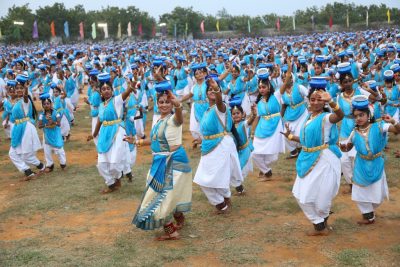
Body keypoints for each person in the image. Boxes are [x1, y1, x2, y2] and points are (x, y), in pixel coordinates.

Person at [129, 80, 192, 241]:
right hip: (160, 161)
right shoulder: (159, 121)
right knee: (167, 194)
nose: (164, 105)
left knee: (159, 197)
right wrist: (136, 141)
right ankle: (179, 219)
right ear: (157, 104)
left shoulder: (173, 119)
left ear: (171, 104)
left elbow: (179, 116)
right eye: (161, 102)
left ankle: (172, 231)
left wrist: (177, 104)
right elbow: (153, 140)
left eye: (167, 102)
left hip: (173, 162)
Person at [282, 77, 344, 236]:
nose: (315, 102)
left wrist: (331, 102)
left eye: (319, 100)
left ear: (323, 102)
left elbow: (339, 116)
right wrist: (290, 137)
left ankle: (321, 224)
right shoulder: (309, 118)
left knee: (321, 196)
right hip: (306, 158)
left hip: (323, 159)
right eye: (312, 99)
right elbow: (305, 141)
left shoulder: (326, 118)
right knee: (300, 194)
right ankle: (320, 222)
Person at [340, 95, 400, 225]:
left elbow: (397, 131)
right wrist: (342, 147)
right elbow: (347, 148)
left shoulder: (379, 126)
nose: (358, 118)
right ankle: (367, 215)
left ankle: (371, 211)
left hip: (376, 163)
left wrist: (393, 121)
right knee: (359, 192)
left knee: (376, 193)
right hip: (361, 165)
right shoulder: (354, 132)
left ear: (368, 115)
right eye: (356, 116)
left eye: (361, 115)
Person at [193, 74, 243, 214]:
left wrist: (217, 91)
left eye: (214, 89)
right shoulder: (207, 111)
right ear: (205, 93)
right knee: (214, 177)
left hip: (220, 146)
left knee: (204, 179)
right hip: (210, 146)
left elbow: (219, 102)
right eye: (209, 89)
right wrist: (201, 139)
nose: (211, 91)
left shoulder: (220, 108)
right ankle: (226, 199)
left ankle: (221, 205)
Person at [91, 73, 132, 193]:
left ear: (112, 90)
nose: (106, 91)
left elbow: (127, 92)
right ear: (101, 92)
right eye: (103, 89)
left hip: (117, 131)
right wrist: (94, 133)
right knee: (101, 164)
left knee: (114, 163)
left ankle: (118, 178)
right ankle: (111, 184)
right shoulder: (101, 105)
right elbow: (99, 119)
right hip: (104, 133)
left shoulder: (116, 101)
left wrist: (131, 84)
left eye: (108, 88)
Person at [250, 68, 285, 181]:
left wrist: (289, 68)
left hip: (275, 127)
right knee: (254, 153)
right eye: (260, 87)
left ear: (269, 87)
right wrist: (252, 132)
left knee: (272, 155)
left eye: (263, 87)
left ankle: (264, 169)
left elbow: (287, 80)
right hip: (262, 128)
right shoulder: (259, 102)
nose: (261, 89)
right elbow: (257, 117)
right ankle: (266, 171)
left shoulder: (276, 95)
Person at [9, 74, 45, 180]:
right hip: (19, 128)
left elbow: (25, 95)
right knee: (12, 153)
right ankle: (29, 170)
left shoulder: (26, 100)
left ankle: (38, 168)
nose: (19, 90)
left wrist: (26, 87)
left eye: (21, 88)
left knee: (26, 155)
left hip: (26, 128)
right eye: (17, 88)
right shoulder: (16, 101)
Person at [229, 97, 257, 195]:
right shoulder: (230, 126)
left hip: (245, 151)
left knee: (238, 172)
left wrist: (254, 114)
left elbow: (251, 120)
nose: (236, 115)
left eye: (238, 113)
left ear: (242, 114)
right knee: (233, 170)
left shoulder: (244, 124)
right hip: (236, 152)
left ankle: (240, 190)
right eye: (233, 114)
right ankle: (240, 190)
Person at [37, 94, 67, 172]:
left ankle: (63, 164)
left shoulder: (56, 113)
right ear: (42, 105)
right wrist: (46, 124)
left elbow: (59, 124)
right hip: (47, 134)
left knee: (59, 149)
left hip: (56, 133)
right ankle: (50, 165)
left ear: (51, 104)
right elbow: (39, 126)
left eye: (48, 103)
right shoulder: (41, 115)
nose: (46, 105)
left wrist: (51, 121)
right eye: (44, 104)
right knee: (47, 150)